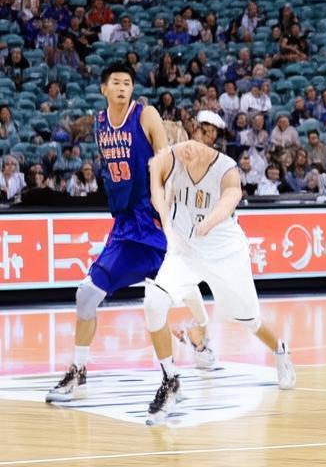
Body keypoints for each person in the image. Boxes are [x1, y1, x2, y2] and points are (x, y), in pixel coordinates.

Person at [46, 64, 214, 402]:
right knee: (87, 296)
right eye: (117, 83)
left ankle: (200, 343)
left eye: (128, 83)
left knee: (178, 292)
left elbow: (166, 161)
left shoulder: (146, 114)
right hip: (125, 227)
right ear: (104, 88)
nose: (123, 87)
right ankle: (80, 371)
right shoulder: (99, 122)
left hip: (153, 223)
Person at [143, 111, 296, 424]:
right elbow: (157, 178)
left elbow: (231, 196)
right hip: (186, 253)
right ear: (193, 130)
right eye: (202, 129)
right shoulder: (171, 161)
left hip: (225, 254)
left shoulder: (226, 167)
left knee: (250, 319)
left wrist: (210, 220)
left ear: (217, 137)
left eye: (213, 131)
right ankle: (170, 380)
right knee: (153, 301)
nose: (205, 135)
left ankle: (280, 350)